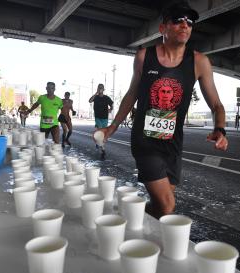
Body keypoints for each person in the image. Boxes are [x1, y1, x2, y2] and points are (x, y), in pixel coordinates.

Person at [96, 2, 228, 219]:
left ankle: (131, 218)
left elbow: (217, 105)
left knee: (159, 207)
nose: (185, 25)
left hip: (173, 143)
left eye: (190, 21)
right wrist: (113, 125)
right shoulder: (143, 57)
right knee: (168, 205)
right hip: (145, 139)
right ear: (163, 28)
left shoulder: (199, 62)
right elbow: (132, 94)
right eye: (177, 20)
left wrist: (220, 129)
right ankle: (144, 240)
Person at [89, 83, 113, 159]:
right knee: (100, 133)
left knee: (103, 133)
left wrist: (110, 109)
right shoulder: (95, 97)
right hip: (98, 117)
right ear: (97, 89)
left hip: (105, 118)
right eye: (99, 88)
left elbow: (111, 105)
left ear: (103, 89)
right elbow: (90, 100)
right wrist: (96, 93)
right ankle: (103, 150)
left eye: (101, 88)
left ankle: (97, 142)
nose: (100, 89)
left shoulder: (106, 98)